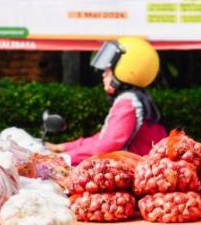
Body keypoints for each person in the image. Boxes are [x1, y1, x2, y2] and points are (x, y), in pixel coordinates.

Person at [46, 36, 167, 165]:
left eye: (108, 70)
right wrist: (63, 148)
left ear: (125, 70)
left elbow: (107, 145)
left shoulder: (129, 102)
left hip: (137, 173)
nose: (103, 74)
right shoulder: (135, 98)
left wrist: (64, 158)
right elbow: (102, 138)